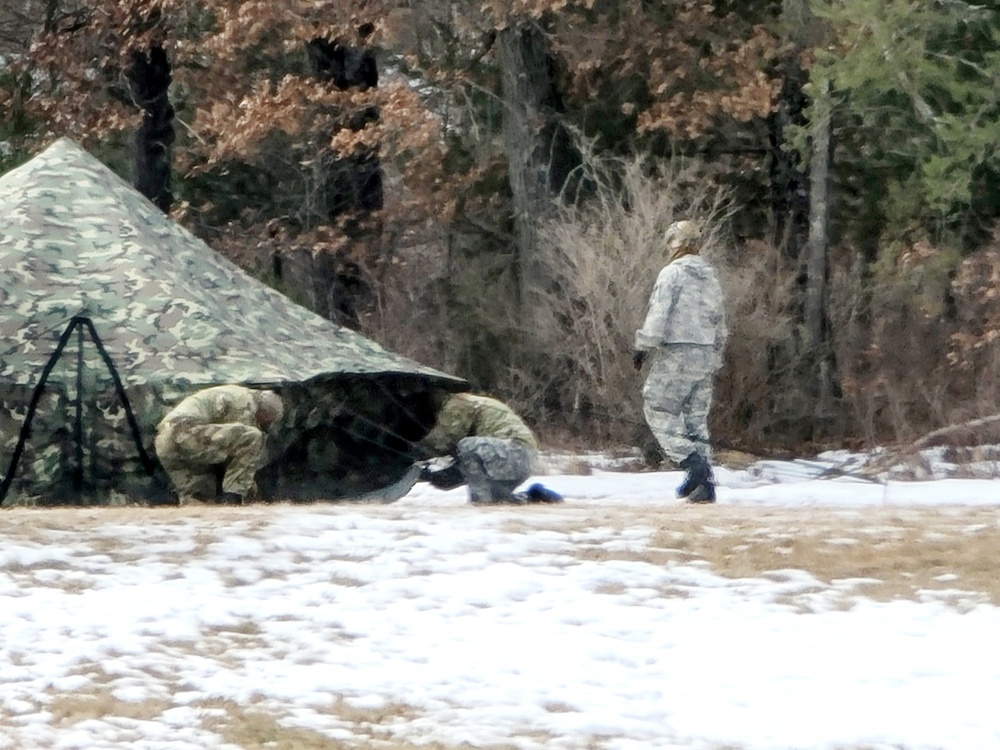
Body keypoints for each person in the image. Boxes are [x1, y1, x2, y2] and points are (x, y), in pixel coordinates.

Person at [633, 219, 727, 503]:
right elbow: (720, 320)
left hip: (677, 351)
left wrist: (643, 345)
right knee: (695, 419)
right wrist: (716, 356)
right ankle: (704, 482)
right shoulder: (710, 276)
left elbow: (659, 314)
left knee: (657, 406)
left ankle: (693, 466)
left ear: (673, 242)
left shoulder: (671, 274)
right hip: (706, 353)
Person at [416, 392, 562, 504]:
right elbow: (469, 467)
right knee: (498, 502)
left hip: (514, 452)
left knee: (467, 446)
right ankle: (533, 497)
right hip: (516, 458)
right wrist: (434, 476)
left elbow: (442, 440)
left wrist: (411, 453)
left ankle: (483, 502)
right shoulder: (468, 403)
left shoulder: (458, 403)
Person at [154, 385, 284, 505]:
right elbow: (241, 449)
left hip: (166, 442)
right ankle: (233, 499)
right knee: (253, 437)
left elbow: (222, 445)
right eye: (266, 422)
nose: (264, 426)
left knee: (201, 502)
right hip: (185, 432)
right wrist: (244, 487)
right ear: (263, 414)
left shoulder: (233, 394)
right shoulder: (246, 404)